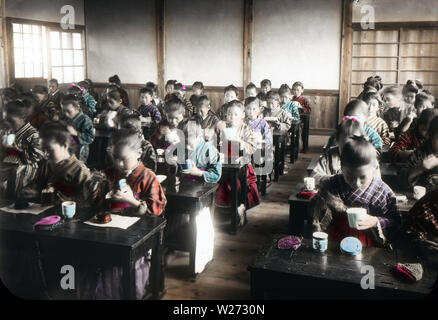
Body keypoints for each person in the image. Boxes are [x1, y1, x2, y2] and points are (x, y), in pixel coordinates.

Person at [309, 136, 399, 247]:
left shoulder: (383, 192)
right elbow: (316, 211)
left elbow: (395, 221)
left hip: (368, 246)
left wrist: (376, 221)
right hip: (334, 241)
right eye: (350, 176)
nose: (356, 183)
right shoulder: (333, 183)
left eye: (363, 177)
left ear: (375, 167)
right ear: (341, 167)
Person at [21, 121, 91, 205]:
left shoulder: (80, 171)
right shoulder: (47, 165)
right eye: (43, 150)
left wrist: (41, 195)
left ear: (65, 146)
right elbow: (37, 183)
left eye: (49, 149)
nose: (45, 154)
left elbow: (84, 202)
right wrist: (29, 190)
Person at [216, 100, 259, 221]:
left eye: (236, 114)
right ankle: (224, 209)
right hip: (225, 162)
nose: (232, 117)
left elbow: (252, 147)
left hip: (242, 163)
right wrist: (217, 127)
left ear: (243, 115)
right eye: (229, 114)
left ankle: (240, 207)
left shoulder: (247, 130)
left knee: (239, 182)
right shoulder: (224, 128)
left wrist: (239, 141)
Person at [312, 118, 382, 186]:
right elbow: (314, 176)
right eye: (344, 148)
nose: (348, 152)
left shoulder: (367, 156)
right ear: (337, 141)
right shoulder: (329, 157)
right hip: (335, 193)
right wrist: (336, 180)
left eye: (352, 148)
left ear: (362, 141)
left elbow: (377, 181)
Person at [0, 100, 44, 198]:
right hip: (9, 164)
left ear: (23, 117)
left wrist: (16, 151)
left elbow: (38, 156)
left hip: (27, 166)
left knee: (15, 172)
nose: (8, 123)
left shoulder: (33, 133)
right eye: (5, 120)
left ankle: (12, 198)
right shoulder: (8, 131)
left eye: (10, 120)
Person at [404, 117, 438, 191]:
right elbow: (401, 181)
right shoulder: (420, 153)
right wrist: (420, 168)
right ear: (430, 136)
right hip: (424, 199)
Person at [61, 94, 95, 163]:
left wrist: (76, 133)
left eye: (68, 111)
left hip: (80, 152)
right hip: (68, 149)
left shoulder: (85, 119)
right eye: (64, 111)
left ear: (77, 107)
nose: (66, 114)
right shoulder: (68, 118)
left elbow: (91, 138)